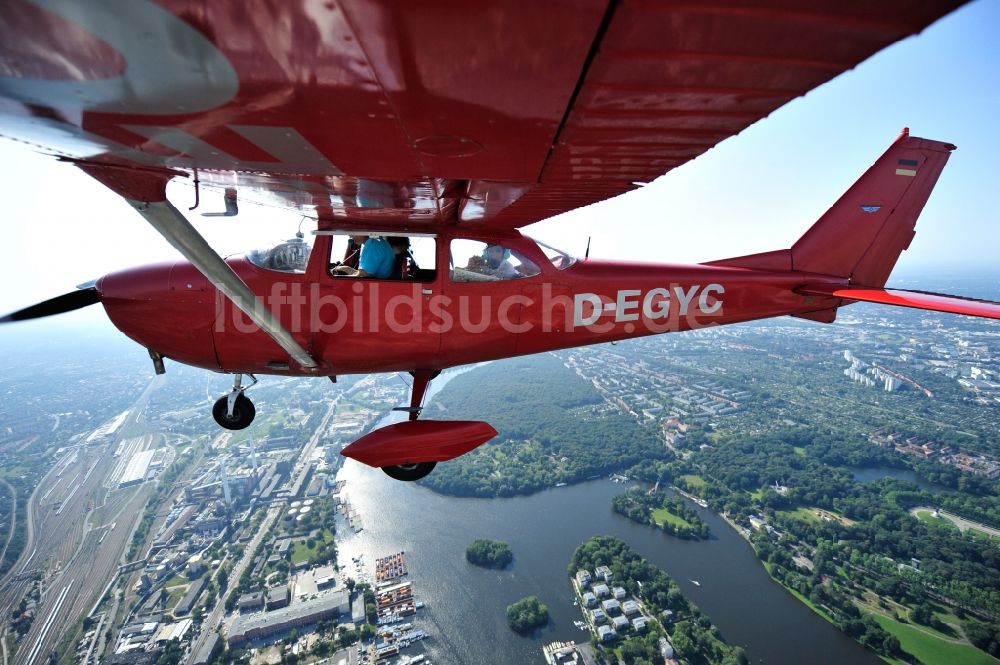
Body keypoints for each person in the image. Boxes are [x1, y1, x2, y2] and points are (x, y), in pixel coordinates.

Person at [333, 235, 408, 279]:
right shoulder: (380, 242)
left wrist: (334, 277)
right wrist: (344, 269)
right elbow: (363, 273)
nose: (350, 235)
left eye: (353, 230)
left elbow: (362, 277)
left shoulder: (372, 245)